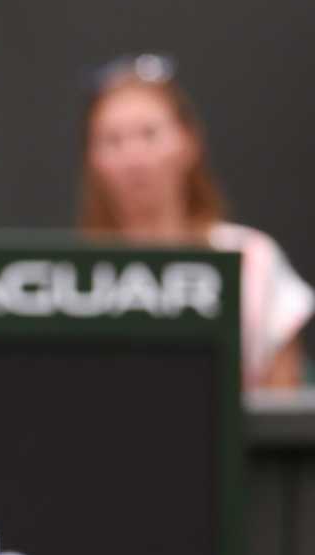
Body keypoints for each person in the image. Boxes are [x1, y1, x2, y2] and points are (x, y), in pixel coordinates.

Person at [80, 54, 310, 388]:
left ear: (189, 141)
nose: (133, 157)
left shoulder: (251, 260)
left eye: (149, 134)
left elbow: (283, 411)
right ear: (93, 158)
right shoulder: (75, 277)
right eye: (112, 140)